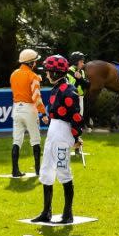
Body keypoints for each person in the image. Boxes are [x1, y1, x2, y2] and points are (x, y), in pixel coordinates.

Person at [30, 55, 83, 224]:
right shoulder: (56, 89)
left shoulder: (69, 91)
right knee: (46, 170)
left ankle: (68, 214)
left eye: (47, 72)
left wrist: (76, 137)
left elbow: (76, 116)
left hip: (62, 132)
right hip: (53, 130)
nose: (46, 75)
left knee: (63, 170)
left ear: (55, 73)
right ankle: (47, 212)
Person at [9, 49, 49, 177]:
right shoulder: (33, 77)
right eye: (35, 61)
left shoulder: (14, 74)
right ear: (31, 63)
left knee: (17, 140)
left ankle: (15, 171)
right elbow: (36, 98)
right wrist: (43, 113)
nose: (36, 63)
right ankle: (38, 171)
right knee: (35, 140)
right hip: (29, 110)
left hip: (16, 109)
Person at [66, 51, 90, 116]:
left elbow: (87, 85)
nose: (83, 64)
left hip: (80, 98)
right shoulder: (67, 72)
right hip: (70, 100)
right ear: (76, 62)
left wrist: (80, 79)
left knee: (79, 120)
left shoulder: (82, 72)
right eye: (81, 62)